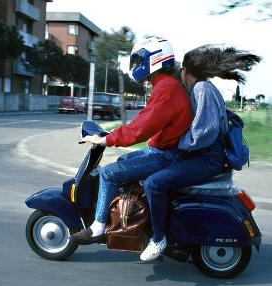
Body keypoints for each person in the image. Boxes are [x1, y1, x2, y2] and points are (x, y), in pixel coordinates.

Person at [139, 45, 262, 261]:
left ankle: (158, 238)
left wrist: (178, 143)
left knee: (154, 183)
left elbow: (203, 133)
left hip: (206, 159)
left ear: (188, 70)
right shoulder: (205, 88)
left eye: (183, 70)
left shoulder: (202, 89)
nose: (181, 75)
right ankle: (171, 233)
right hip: (205, 157)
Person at [69, 36, 193, 245]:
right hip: (164, 150)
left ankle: (98, 226)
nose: (137, 65)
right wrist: (110, 135)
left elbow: (142, 129)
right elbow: (144, 121)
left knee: (108, 173)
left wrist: (107, 140)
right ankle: (127, 216)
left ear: (155, 58)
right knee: (121, 164)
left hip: (167, 154)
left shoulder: (166, 88)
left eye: (140, 59)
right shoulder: (165, 85)